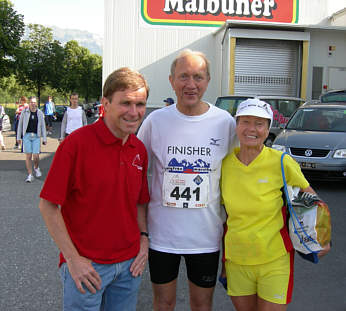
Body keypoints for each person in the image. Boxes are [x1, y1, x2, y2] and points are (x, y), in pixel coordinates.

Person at [38, 67, 150, 311]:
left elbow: (140, 201)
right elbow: (48, 205)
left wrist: (144, 240)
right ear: (105, 103)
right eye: (126, 103)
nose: (134, 112)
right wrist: (72, 259)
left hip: (129, 266)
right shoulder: (76, 145)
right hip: (87, 266)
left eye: (140, 104)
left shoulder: (139, 149)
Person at [137, 49, 236, 311]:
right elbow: (135, 171)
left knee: (202, 306)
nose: (190, 85)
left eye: (198, 77)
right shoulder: (155, 121)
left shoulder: (224, 123)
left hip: (205, 236)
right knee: (163, 304)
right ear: (171, 80)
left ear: (208, 80)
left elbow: (239, 173)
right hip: (162, 236)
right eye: (183, 76)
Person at [220, 98, 331, 311]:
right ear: (237, 125)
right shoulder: (225, 165)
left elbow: (313, 202)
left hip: (274, 259)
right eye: (246, 122)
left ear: (268, 128)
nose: (252, 129)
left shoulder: (281, 162)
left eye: (259, 124)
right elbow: (221, 213)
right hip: (236, 259)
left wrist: (322, 238)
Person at [16, 96, 47, 183]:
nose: (33, 104)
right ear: (29, 103)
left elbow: (43, 126)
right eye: (31, 102)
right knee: (28, 156)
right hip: (27, 136)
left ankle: (36, 168)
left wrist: (44, 138)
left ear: (36, 103)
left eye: (34, 102)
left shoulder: (40, 113)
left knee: (36, 156)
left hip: (36, 136)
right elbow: (20, 125)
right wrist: (18, 137)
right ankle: (30, 175)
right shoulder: (24, 112)